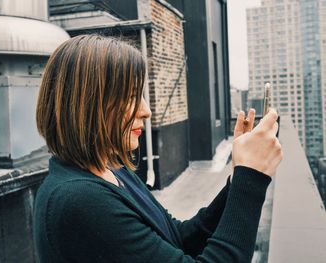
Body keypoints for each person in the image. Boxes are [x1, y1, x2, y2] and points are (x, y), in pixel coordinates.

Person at [33, 35, 283, 263]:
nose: (146, 111)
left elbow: (176, 237)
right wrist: (252, 179)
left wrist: (239, 176)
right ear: (86, 105)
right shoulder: (79, 202)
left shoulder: (111, 170)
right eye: (130, 96)